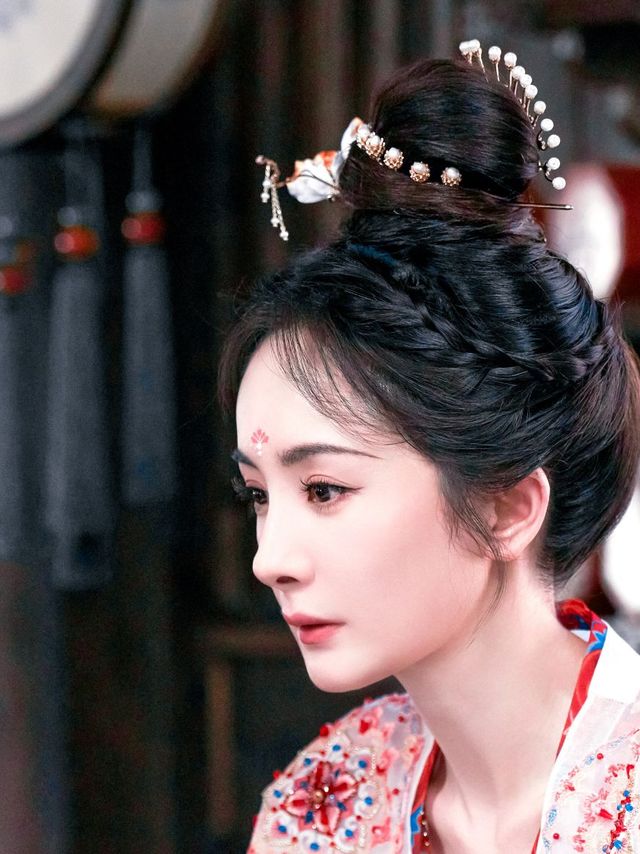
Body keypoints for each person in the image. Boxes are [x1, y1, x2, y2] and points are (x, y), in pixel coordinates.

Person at [218, 40, 640, 853]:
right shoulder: (321, 804)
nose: (270, 559)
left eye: (325, 490)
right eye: (260, 495)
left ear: (507, 506)